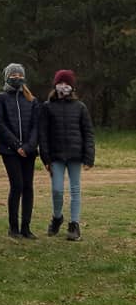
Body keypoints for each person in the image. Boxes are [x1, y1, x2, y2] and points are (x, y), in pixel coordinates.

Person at [38, 69, 95, 242]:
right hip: (56, 156)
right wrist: (45, 158)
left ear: (72, 87)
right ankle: (57, 217)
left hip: (75, 156)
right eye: (60, 83)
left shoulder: (80, 107)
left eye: (67, 83)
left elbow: (88, 133)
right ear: (55, 85)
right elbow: (43, 134)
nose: (63, 86)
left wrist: (89, 156)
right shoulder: (47, 107)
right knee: (57, 190)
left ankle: (74, 224)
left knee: (75, 189)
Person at [0, 63, 39, 239]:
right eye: (14, 75)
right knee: (17, 185)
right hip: (9, 151)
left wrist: (28, 146)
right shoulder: (1, 98)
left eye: (20, 75)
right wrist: (16, 145)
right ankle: (13, 227)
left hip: (29, 151)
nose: (17, 77)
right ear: (7, 77)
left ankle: (26, 227)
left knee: (28, 187)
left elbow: (36, 125)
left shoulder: (32, 100)